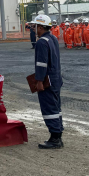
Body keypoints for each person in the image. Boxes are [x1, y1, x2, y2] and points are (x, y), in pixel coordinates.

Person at [30, 14, 63, 149]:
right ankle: (57, 136)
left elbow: (41, 64)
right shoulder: (53, 38)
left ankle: (55, 138)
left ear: (41, 27)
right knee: (56, 107)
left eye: (35, 26)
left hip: (47, 80)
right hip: (55, 78)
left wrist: (39, 81)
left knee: (49, 108)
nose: (33, 28)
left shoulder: (41, 42)